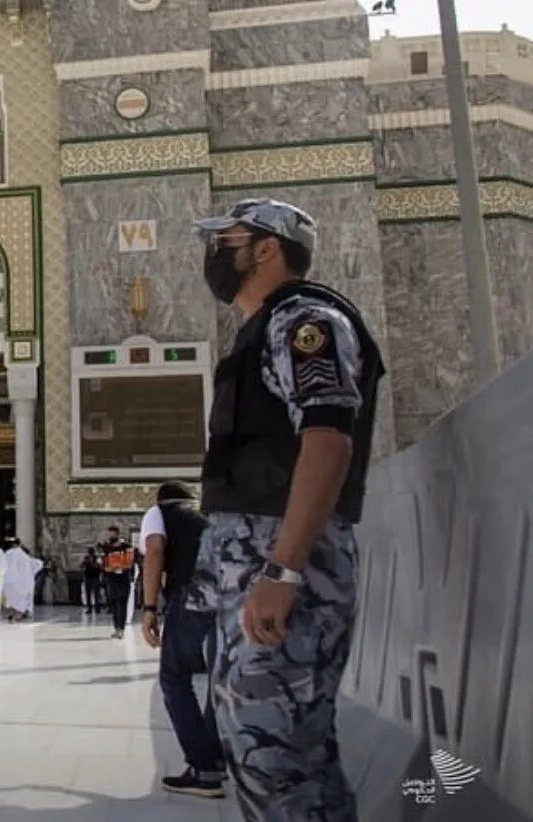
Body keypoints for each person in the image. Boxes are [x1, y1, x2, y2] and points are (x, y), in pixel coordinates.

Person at [191, 199, 385, 821]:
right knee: (280, 762)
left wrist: (283, 572)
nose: (216, 252)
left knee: (278, 767)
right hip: (260, 575)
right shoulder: (263, 330)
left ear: (266, 248)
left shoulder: (305, 321)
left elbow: (328, 440)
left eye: (228, 240)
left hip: (288, 574)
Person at [139, 481, 224, 798]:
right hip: (232, 590)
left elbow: (156, 551)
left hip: (194, 590)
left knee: (174, 677)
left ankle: (204, 768)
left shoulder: (158, 513)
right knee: (218, 679)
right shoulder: (206, 513)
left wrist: (150, 609)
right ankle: (215, 758)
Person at [102, 536, 135, 638]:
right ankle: (117, 628)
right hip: (112, 581)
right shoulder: (109, 554)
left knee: (122, 604)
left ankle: (121, 628)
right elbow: (105, 567)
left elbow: (131, 566)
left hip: (124, 581)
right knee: (114, 605)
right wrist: (108, 569)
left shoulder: (128, 553)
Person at [1, 539, 41, 621]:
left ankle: (12, 613)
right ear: (20, 544)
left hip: (8, 581)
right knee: (21, 599)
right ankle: (18, 615)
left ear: (13, 545)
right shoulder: (24, 556)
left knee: (11, 598)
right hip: (22, 582)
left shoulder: (7, 553)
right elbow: (37, 564)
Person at [80, 547, 102, 613]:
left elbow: (98, 567)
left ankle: (97, 608)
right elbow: (81, 566)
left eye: (91, 552)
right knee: (88, 593)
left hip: (95, 577)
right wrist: (84, 562)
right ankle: (89, 608)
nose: (90, 554)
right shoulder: (86, 558)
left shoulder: (97, 558)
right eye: (89, 552)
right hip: (88, 577)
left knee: (96, 594)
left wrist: (92, 563)